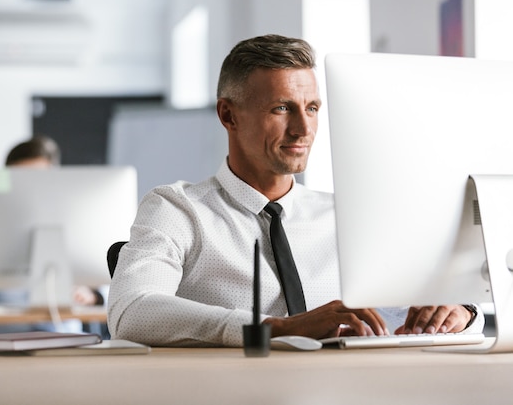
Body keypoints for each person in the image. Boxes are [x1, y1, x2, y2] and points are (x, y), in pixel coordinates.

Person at [107, 34, 484, 347]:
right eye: (282, 108)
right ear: (228, 115)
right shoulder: (177, 209)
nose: (304, 129)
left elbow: (422, 305)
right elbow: (132, 312)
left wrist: (460, 311)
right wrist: (273, 329)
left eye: (313, 108)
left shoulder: (347, 216)